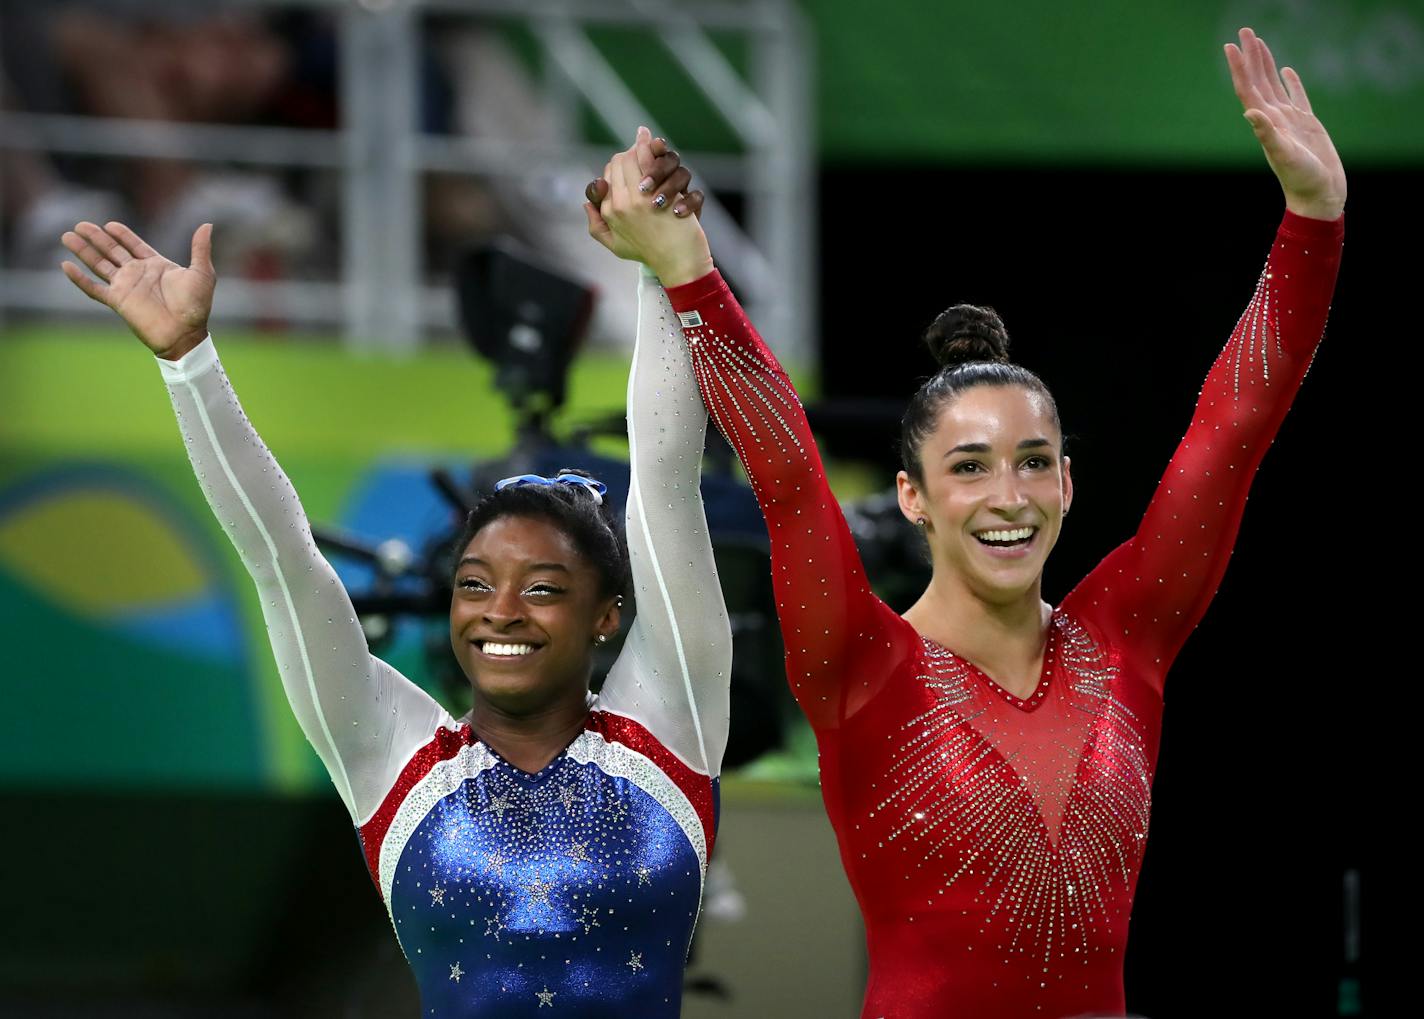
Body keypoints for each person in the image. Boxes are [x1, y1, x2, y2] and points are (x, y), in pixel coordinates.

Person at [585, 28, 1345, 1018]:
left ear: (1068, 482)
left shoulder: (1126, 638)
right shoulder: (859, 662)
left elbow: (1231, 429)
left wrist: (1312, 217)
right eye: (969, 466)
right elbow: (783, 472)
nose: (1007, 494)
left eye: (1033, 462)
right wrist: (687, 269)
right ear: (912, 496)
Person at [59, 135, 732, 1018]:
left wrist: (663, 263)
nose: (501, 612)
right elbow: (282, 560)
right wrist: (189, 361)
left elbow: (666, 483)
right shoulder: (397, 759)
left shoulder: (668, 726)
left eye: (542, 588)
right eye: (475, 582)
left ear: (609, 616)